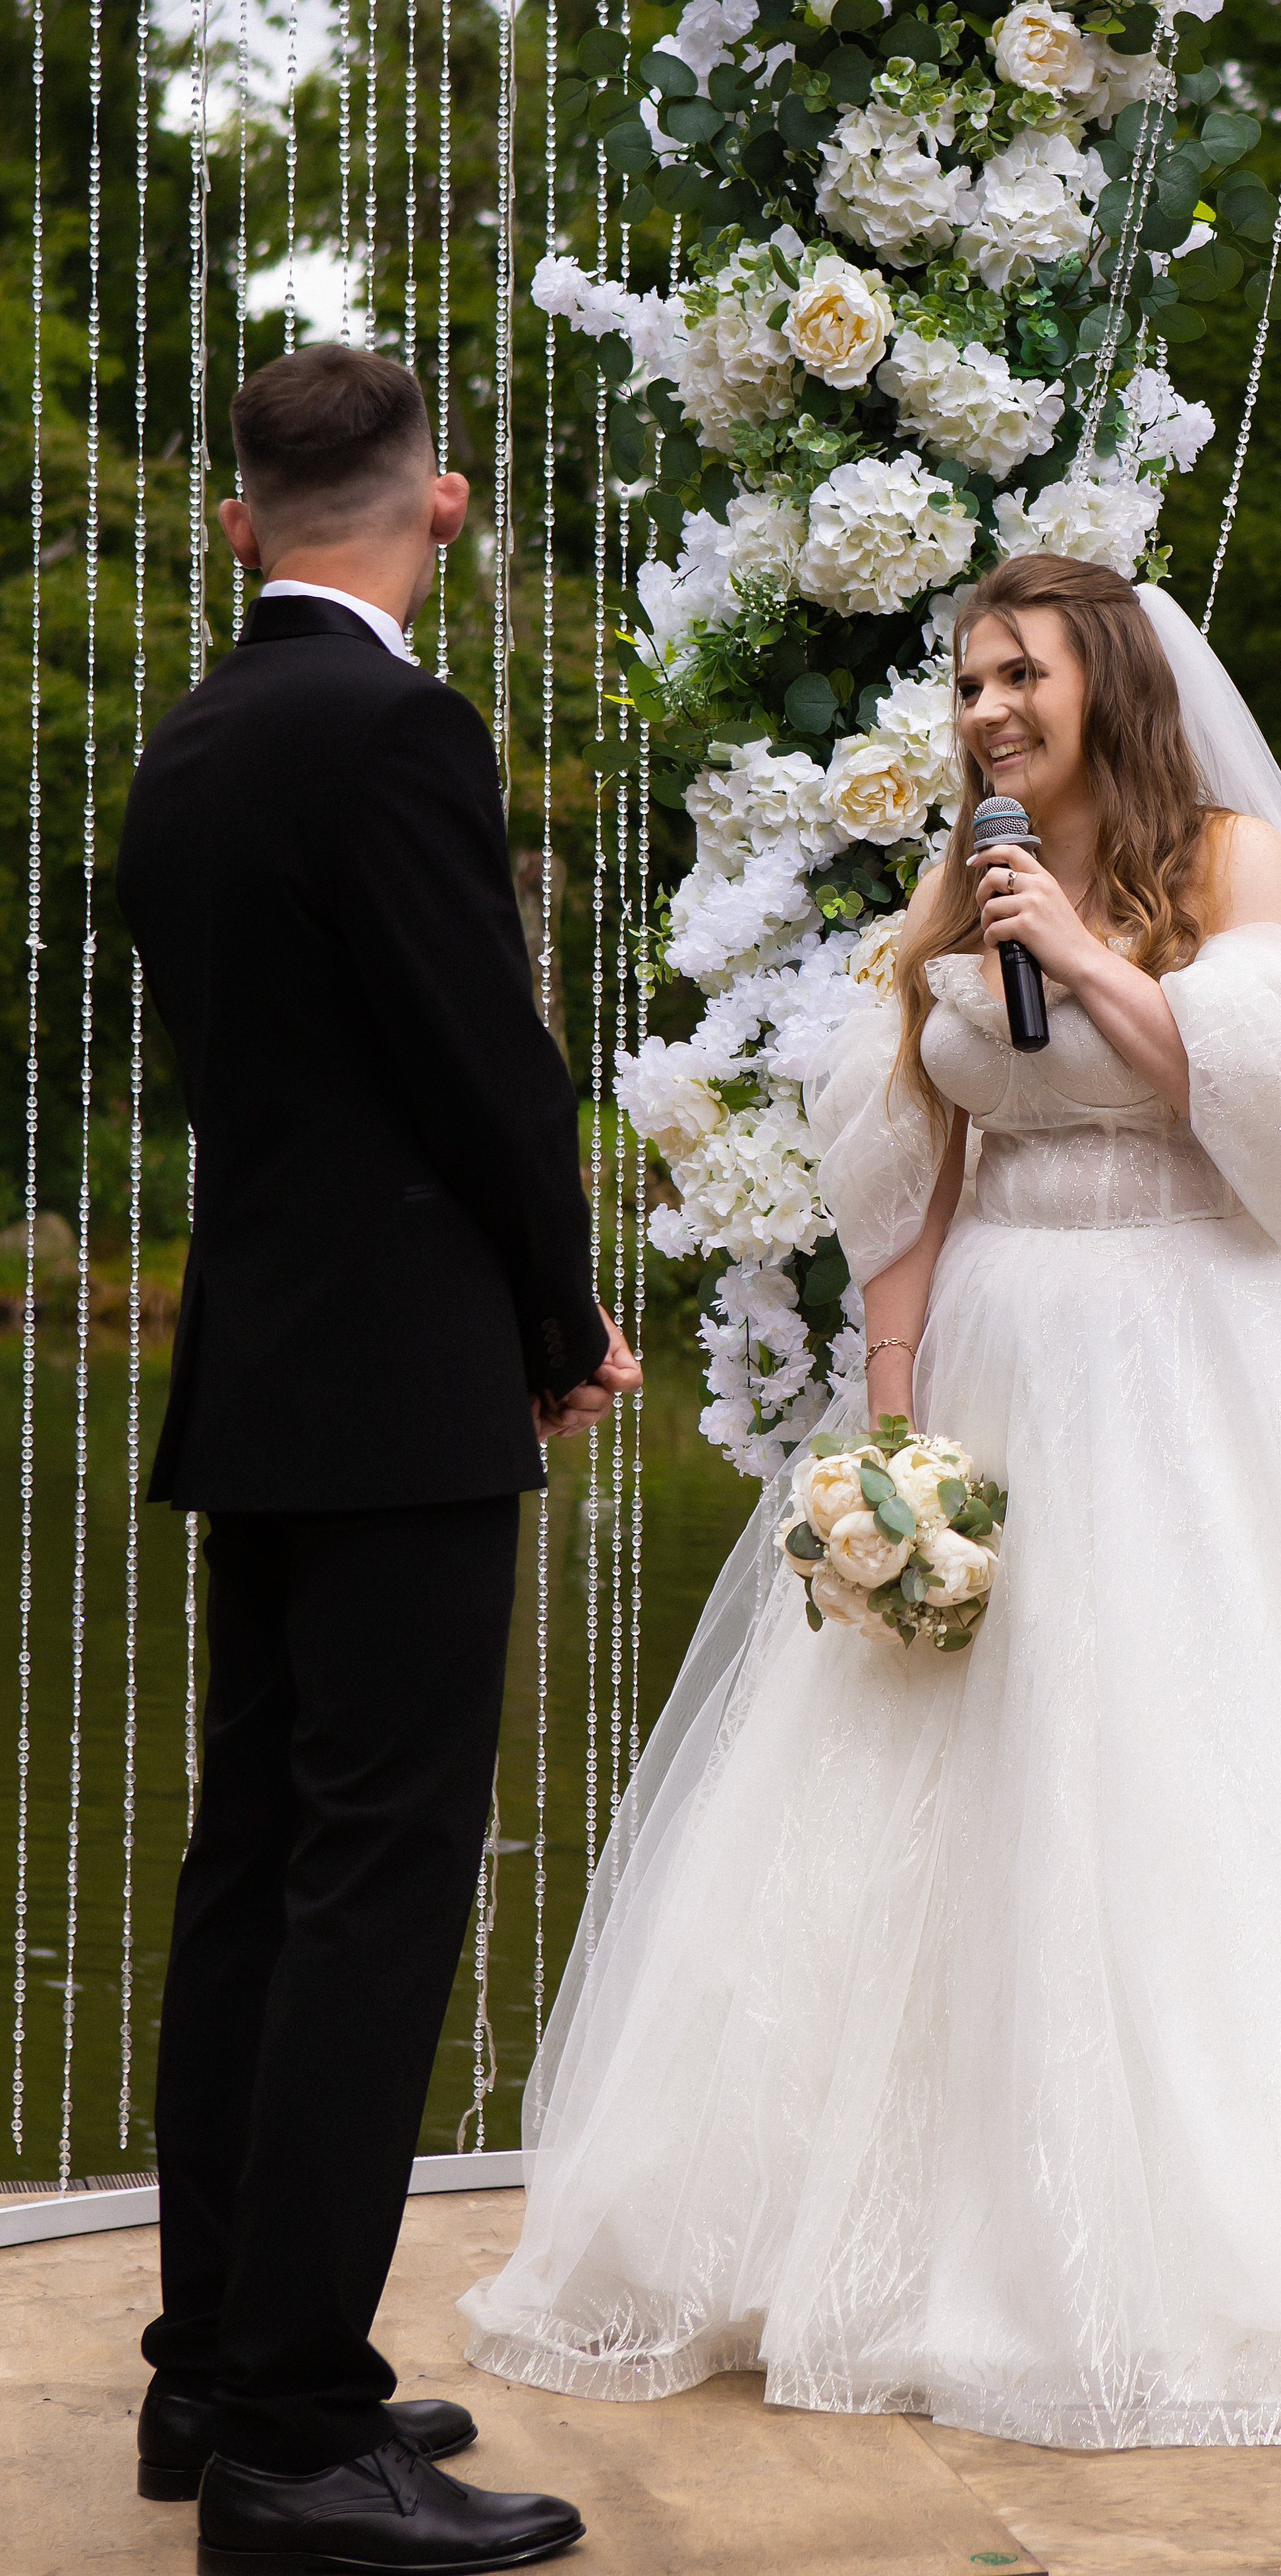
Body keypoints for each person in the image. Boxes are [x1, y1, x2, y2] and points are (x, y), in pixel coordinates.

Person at [461, 552, 1281, 2449]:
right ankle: (880, 2210)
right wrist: (885, 1422)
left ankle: (1226, 2226)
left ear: (1102, 681)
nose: (985, 710)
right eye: (964, 680)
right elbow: (907, 1152)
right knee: (934, 1773)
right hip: (999, 1369)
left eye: (1017, 673)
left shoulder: (1224, 866)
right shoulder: (955, 879)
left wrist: (1103, 958)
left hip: (1204, 1357)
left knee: (1186, 1764)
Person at [117, 342, 634, 2571]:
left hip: (264, 1374)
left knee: (256, 1863)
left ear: (240, 521)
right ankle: (302, 2441)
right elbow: (486, 1064)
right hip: (407, 1377)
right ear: (439, 510)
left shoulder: (199, 734)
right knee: (378, 1881)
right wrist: (559, 1304)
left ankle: (216, 2363)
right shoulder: (399, 726)